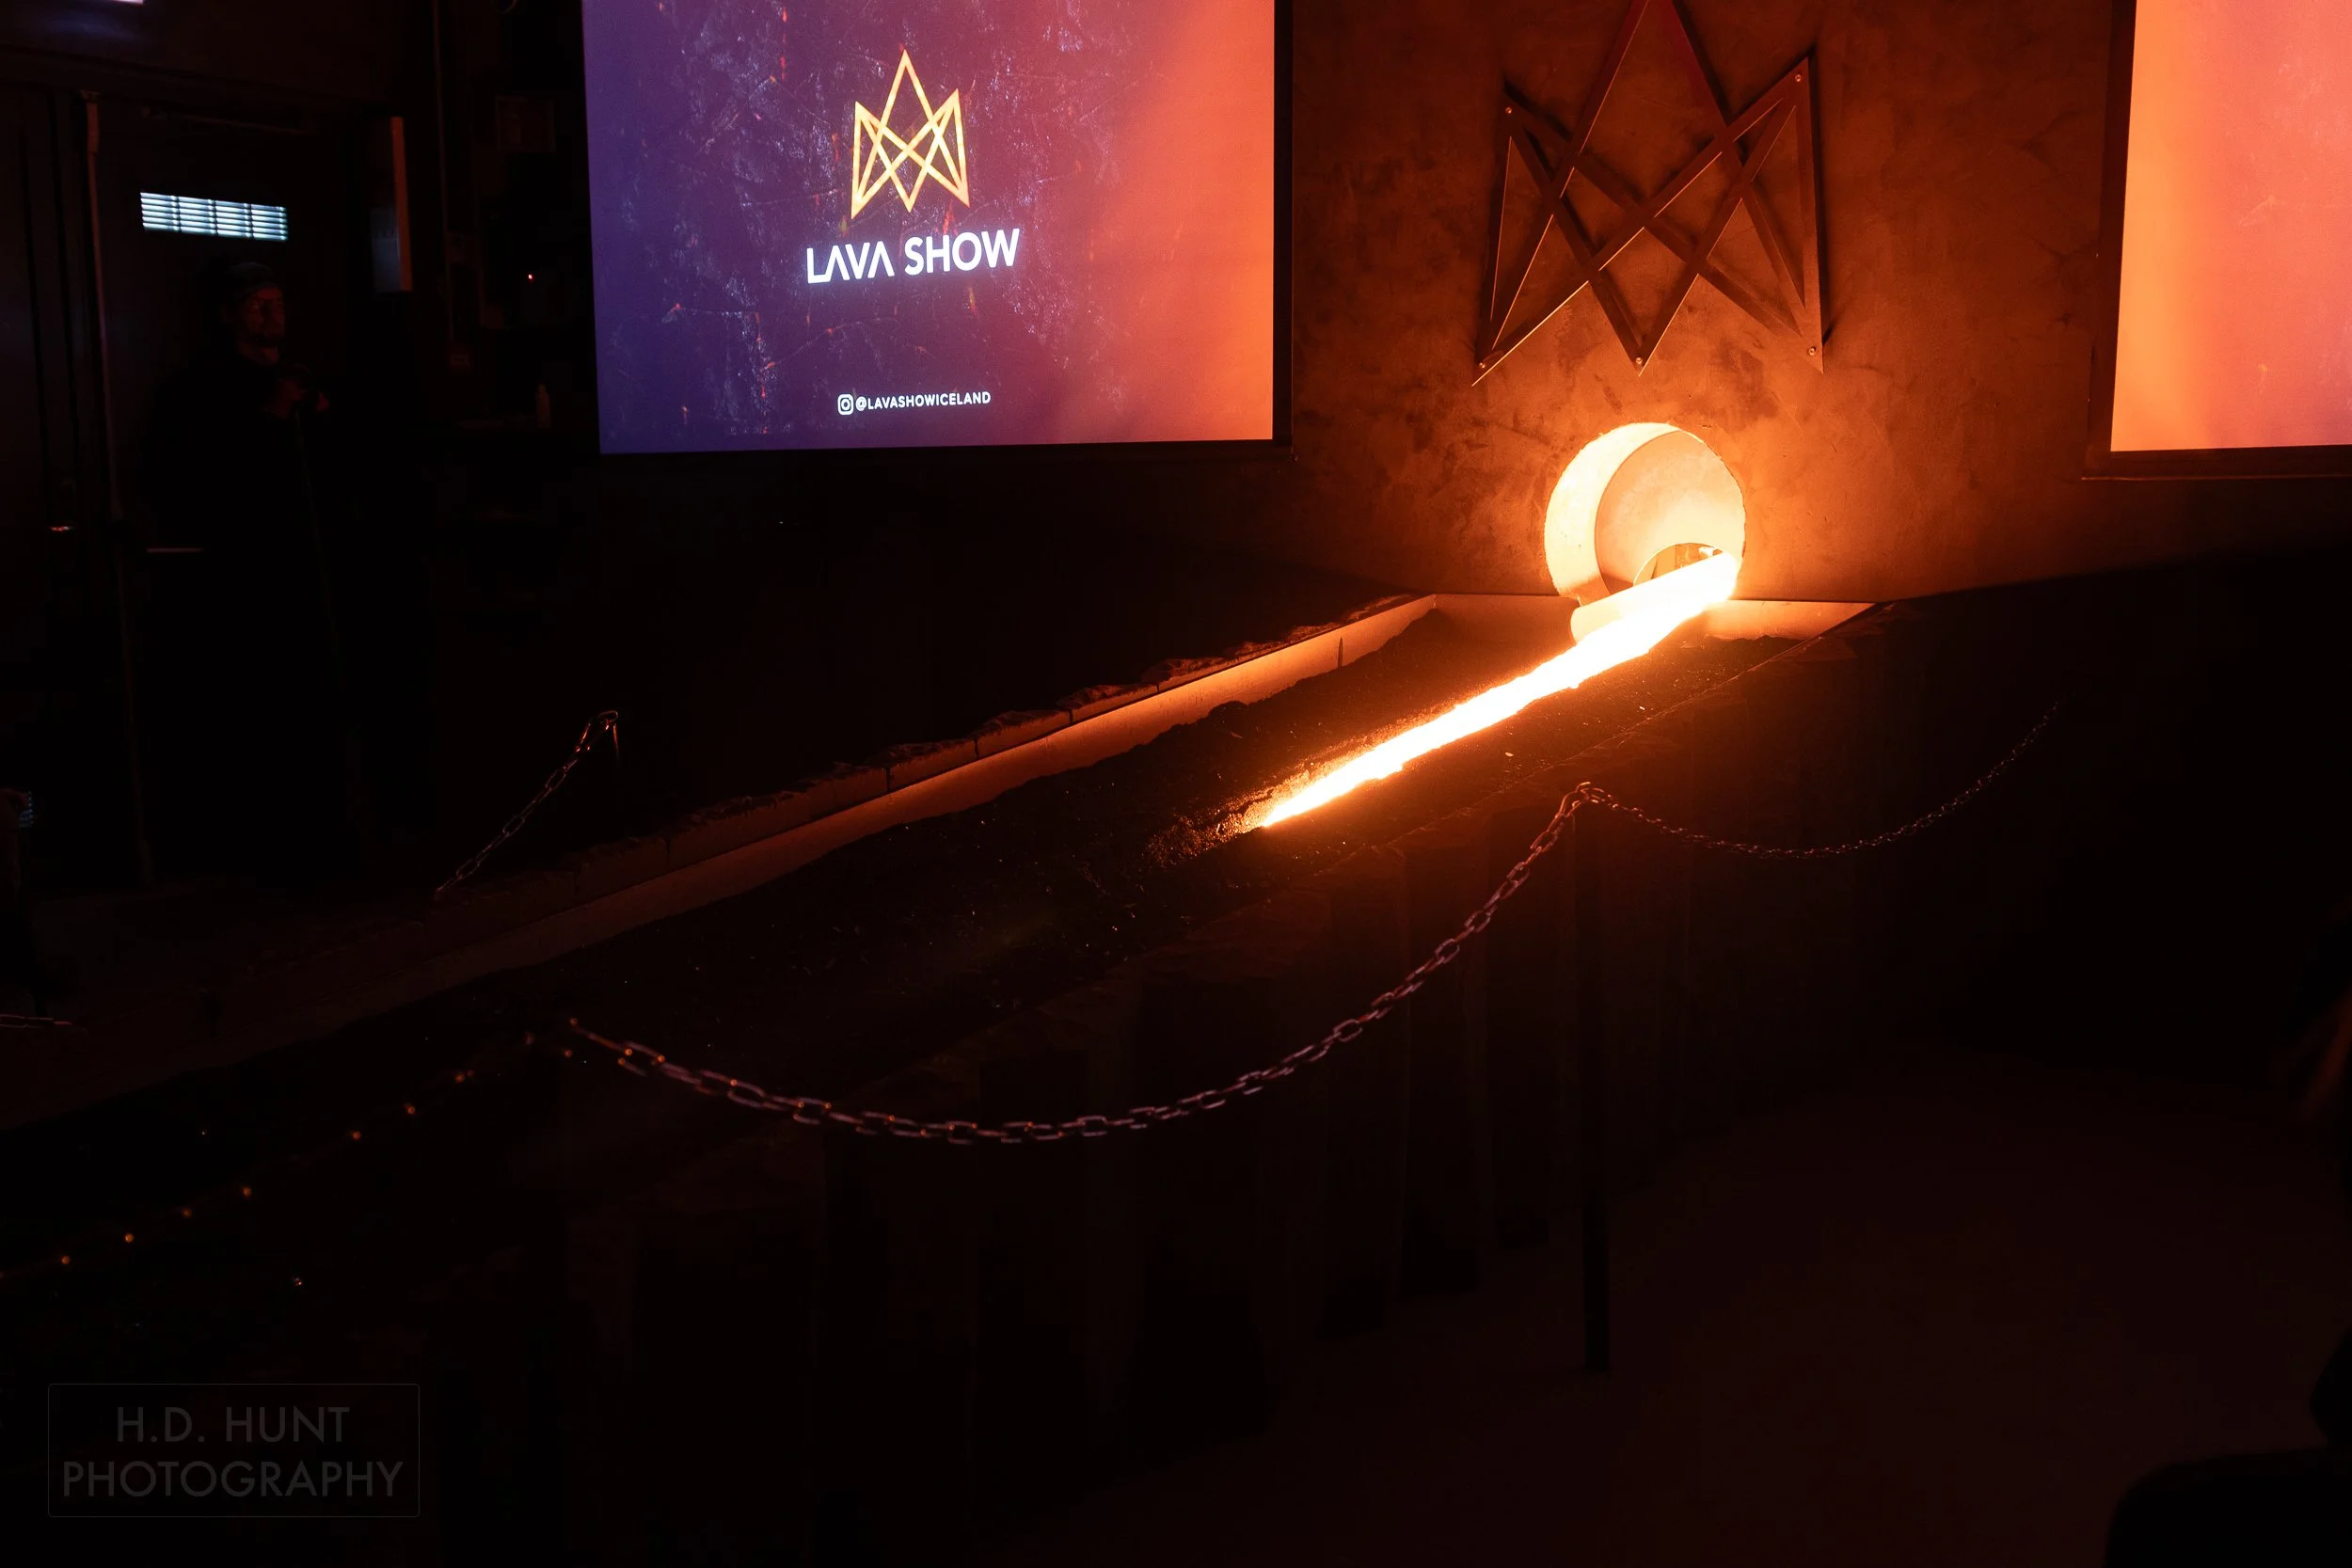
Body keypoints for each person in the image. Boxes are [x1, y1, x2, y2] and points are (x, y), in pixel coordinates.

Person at [143, 259, 358, 887]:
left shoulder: (304, 379)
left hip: (308, 575)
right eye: (257, 305)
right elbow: (196, 474)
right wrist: (267, 417)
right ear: (228, 315)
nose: (272, 316)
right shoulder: (200, 388)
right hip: (243, 582)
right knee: (253, 716)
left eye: (277, 303)